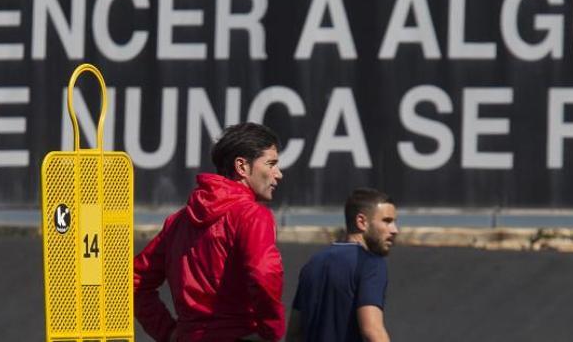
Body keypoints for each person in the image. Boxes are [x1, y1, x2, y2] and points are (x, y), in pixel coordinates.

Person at [133, 122, 286, 342]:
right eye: (271, 164)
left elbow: (134, 280)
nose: (278, 174)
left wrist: (168, 332)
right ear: (242, 167)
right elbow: (264, 273)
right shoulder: (252, 215)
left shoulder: (178, 222)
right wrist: (273, 332)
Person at [287, 188, 399, 342]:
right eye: (387, 221)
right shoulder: (370, 264)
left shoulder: (312, 264)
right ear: (362, 222)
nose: (394, 230)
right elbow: (373, 331)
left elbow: (294, 333)